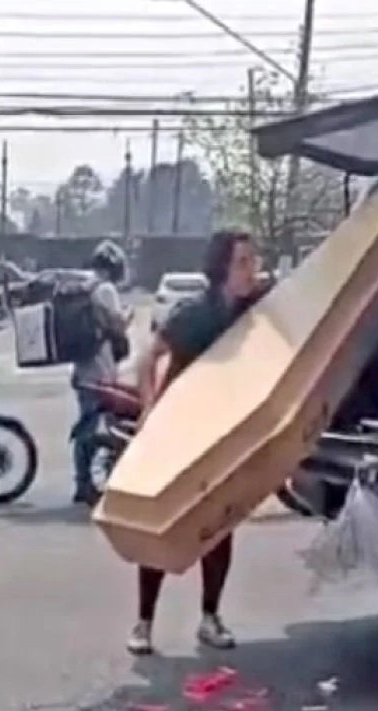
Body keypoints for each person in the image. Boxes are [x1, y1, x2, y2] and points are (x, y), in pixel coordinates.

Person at [127, 230, 266, 656]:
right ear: (221, 267)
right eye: (242, 261)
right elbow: (148, 358)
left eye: (253, 261)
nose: (251, 269)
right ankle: (143, 623)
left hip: (222, 432)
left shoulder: (255, 312)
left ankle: (210, 617)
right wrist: (149, 410)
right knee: (164, 522)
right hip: (179, 429)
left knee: (218, 525)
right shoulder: (196, 315)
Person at [71, 243, 133, 505]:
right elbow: (117, 324)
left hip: (84, 368)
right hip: (98, 369)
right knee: (94, 428)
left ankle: (83, 480)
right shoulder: (105, 289)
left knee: (88, 424)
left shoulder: (88, 286)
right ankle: (85, 484)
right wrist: (128, 316)